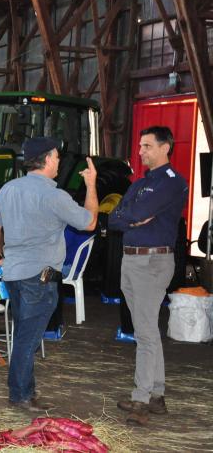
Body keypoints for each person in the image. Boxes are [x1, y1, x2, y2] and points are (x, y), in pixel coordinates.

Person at [0, 137, 98, 413]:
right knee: (28, 338)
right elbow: (90, 222)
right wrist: (92, 185)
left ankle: (26, 390)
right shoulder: (54, 195)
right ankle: (20, 394)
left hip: (12, 273)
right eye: (57, 157)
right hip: (41, 276)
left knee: (24, 333)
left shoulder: (9, 189)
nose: (59, 162)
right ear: (47, 159)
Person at [108, 126, 188, 427]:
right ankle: (156, 395)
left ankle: (141, 399)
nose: (140, 151)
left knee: (144, 332)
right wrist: (132, 217)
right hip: (133, 259)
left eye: (147, 146)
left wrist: (131, 217)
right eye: (140, 146)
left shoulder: (171, 182)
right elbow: (117, 217)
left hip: (152, 261)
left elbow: (128, 215)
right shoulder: (140, 183)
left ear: (166, 147)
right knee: (148, 329)